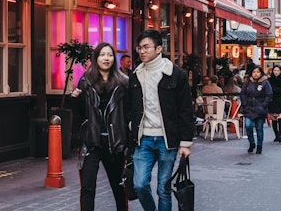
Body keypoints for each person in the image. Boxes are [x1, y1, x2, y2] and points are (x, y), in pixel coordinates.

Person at [127, 30, 193, 211]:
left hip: (167, 140)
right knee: (139, 185)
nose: (141, 51)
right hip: (143, 139)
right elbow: (129, 106)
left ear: (158, 49)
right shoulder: (135, 75)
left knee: (163, 189)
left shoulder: (176, 74)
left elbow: (186, 110)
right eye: (139, 48)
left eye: (146, 47)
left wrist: (186, 143)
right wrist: (132, 126)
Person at [71, 42, 129, 211]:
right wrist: (74, 100)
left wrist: (128, 143)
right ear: (96, 58)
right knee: (87, 188)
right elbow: (80, 114)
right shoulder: (85, 81)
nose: (106, 58)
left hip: (114, 144)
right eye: (102, 55)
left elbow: (128, 114)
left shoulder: (123, 83)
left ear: (114, 58)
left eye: (109, 55)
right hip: (91, 142)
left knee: (118, 187)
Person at [240, 65, 271, 154]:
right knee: (248, 126)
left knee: (259, 129)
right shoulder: (247, 82)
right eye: (254, 72)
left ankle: (259, 146)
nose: (256, 74)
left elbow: (269, 95)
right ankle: (252, 142)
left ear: (261, 73)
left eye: (257, 72)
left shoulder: (265, 82)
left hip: (260, 109)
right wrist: (244, 104)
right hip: (249, 108)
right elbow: (242, 93)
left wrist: (263, 105)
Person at [267, 65, 281, 143]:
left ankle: (280, 135)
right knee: (274, 119)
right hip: (272, 101)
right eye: (275, 70)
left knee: (280, 119)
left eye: (278, 70)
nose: (276, 72)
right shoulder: (269, 80)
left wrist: (274, 90)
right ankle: (276, 135)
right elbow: (269, 90)